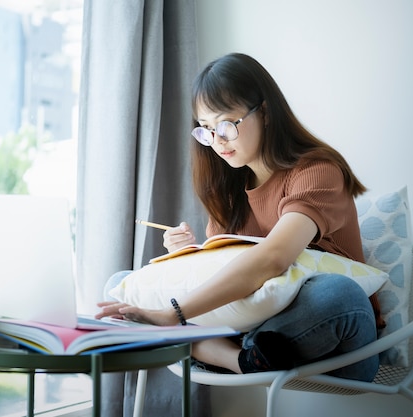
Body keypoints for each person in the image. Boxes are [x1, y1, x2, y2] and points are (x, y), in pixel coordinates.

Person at [96, 52, 382, 381]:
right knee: (118, 287)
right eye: (205, 130)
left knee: (337, 294)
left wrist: (173, 314)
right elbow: (226, 267)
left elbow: (273, 258)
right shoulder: (231, 190)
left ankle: (206, 347)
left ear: (265, 113)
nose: (216, 142)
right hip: (254, 336)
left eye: (225, 125)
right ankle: (242, 359)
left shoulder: (318, 171)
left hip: (336, 336)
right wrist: (185, 257)